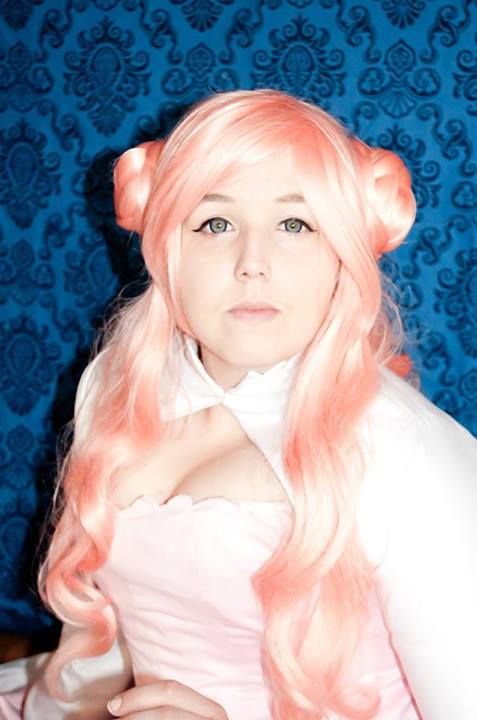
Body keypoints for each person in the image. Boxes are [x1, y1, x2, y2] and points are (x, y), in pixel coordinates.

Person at [0, 88, 476, 720]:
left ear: (343, 254)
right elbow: (101, 651)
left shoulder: (408, 450)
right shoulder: (117, 384)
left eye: (295, 225)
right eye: (215, 224)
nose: (253, 264)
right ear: (168, 247)